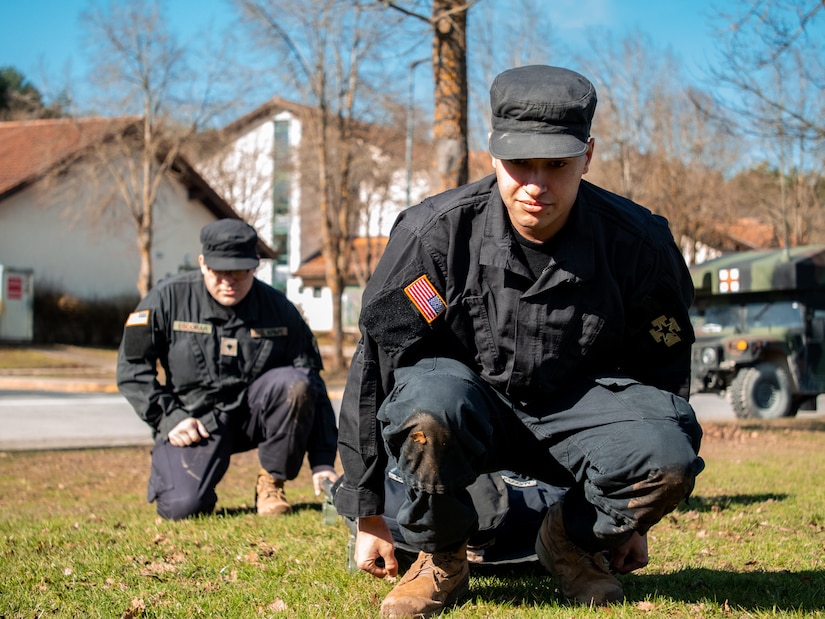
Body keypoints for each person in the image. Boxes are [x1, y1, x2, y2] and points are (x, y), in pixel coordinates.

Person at [333, 65, 705, 617]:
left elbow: (663, 373)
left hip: (576, 416)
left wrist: (632, 516)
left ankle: (571, 541)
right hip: (463, 416)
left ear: (588, 155)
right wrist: (366, 511)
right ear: (492, 156)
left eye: (556, 164)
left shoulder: (639, 244)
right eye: (518, 163)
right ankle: (441, 555)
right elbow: (377, 368)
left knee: (669, 451)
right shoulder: (434, 236)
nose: (536, 184)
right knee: (426, 408)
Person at [117, 219, 339, 520]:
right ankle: (190, 484)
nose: (228, 282)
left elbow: (311, 380)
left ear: (255, 267)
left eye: (239, 273)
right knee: (183, 508)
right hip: (194, 421)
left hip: (253, 415)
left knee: (295, 383)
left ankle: (271, 482)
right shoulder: (167, 299)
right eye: (219, 272)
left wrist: (323, 460)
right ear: (202, 263)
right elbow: (132, 367)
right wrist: (168, 417)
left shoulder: (279, 309)